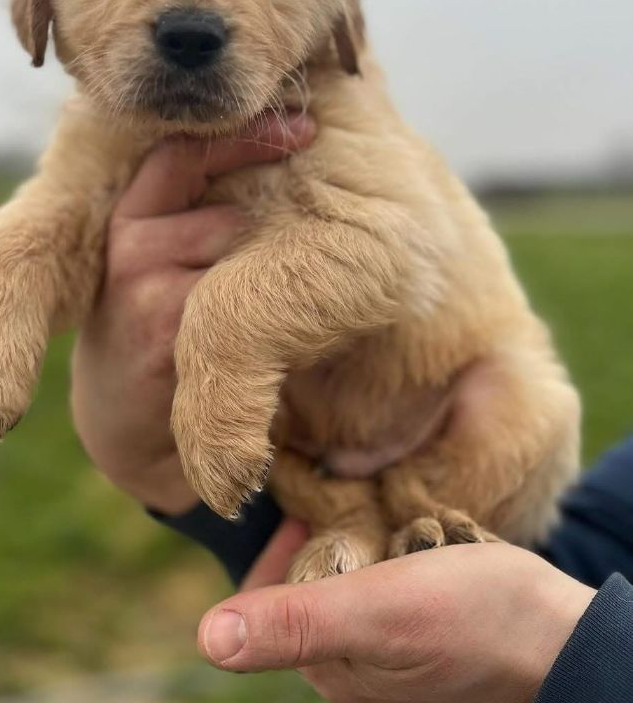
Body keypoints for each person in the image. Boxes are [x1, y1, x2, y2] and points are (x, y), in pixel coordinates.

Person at [71, 113, 633, 703]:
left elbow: (392, 252)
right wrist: (169, 473)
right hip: (331, 454)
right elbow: (589, 556)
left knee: (531, 397)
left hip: (424, 396)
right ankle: (364, 527)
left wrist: (567, 650)